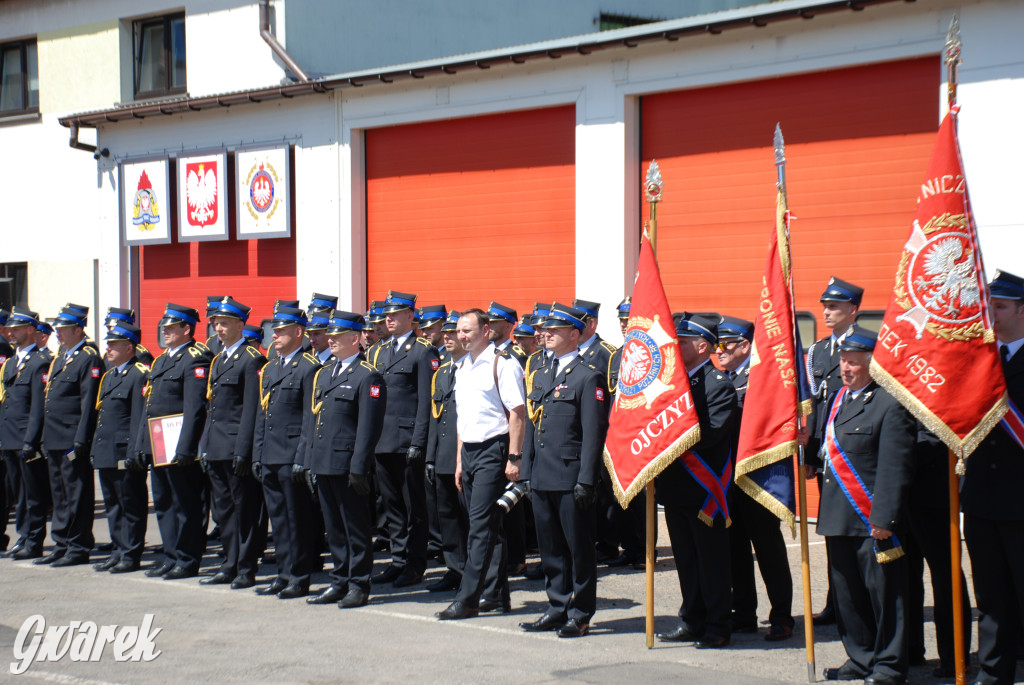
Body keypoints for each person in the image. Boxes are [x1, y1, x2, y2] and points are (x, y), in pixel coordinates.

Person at [816, 326, 914, 685]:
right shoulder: (840, 399)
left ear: (874, 365)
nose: (845, 368)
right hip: (837, 516)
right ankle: (860, 657)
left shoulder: (890, 403)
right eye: (843, 361)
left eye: (854, 363)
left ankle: (888, 665)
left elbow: (894, 465)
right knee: (848, 596)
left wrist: (885, 517)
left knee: (885, 598)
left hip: (871, 518)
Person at [519, 303, 608, 637]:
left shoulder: (589, 375)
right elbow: (532, 424)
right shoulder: (540, 371)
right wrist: (526, 471)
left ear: (575, 334)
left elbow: (593, 433)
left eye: (555, 331)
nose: (547, 335)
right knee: (551, 548)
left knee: (579, 548)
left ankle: (581, 612)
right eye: (546, 330)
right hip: (542, 475)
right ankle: (557, 606)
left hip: (571, 477)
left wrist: (587, 479)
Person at [436, 308, 525, 620]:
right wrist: (460, 458)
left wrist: (514, 457)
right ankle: (496, 594)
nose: (461, 336)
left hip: (494, 449)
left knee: (480, 526)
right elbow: (464, 417)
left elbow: (517, 413)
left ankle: (468, 597)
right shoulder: (462, 367)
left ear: (486, 330)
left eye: (467, 330)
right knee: (491, 527)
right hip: (470, 451)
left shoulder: (502, 363)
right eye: (459, 331)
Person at [656, 313, 738, 649]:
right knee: (686, 561)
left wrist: (666, 437)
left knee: (712, 562)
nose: (677, 345)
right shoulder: (671, 383)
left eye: (684, 340)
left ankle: (718, 625)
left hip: (704, 490)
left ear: (703, 346)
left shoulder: (719, 386)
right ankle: (692, 618)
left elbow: (710, 433)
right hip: (676, 487)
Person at [961, 270, 1024, 685]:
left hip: (1021, 499)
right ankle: (993, 668)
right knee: (991, 591)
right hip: (981, 496)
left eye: (1000, 306)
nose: (993, 314)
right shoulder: (979, 360)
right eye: (990, 306)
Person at [716, 315, 795, 641]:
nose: (718, 350)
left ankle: (782, 617)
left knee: (769, 551)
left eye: (725, 344)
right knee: (734, 550)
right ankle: (743, 612)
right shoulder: (723, 379)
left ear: (745, 346)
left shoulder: (761, 379)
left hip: (758, 479)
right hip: (727, 480)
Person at [303, 310, 387, 608]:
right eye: (331, 336)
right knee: (334, 526)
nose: (331, 341)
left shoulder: (367, 375)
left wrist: (360, 466)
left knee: (355, 526)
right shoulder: (325, 372)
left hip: (348, 463)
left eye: (337, 337)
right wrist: (310, 460)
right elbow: (316, 421)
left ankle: (358, 584)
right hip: (324, 461)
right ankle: (338, 581)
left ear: (354, 339)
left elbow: (368, 427)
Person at [131, 303, 213, 580]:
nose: (164, 332)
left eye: (170, 328)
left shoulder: (195, 358)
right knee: (164, 501)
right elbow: (150, 405)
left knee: (185, 503)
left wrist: (186, 448)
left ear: (186, 329)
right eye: (163, 328)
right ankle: (170, 555)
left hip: (178, 442)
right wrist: (144, 444)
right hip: (159, 439)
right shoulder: (162, 360)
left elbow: (194, 408)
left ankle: (187, 558)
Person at [804, 276, 863, 626]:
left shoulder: (866, 347)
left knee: (858, 533)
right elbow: (813, 405)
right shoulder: (818, 352)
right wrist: (810, 456)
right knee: (833, 532)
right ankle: (837, 600)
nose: (826, 312)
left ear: (852, 310)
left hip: (857, 455)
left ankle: (860, 600)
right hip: (828, 454)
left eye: (834, 306)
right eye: (825, 306)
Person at [252, 304, 321, 599]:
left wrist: (302, 458)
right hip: (270, 454)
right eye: (274, 331)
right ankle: (283, 572)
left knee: (297, 519)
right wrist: (257, 453)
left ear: (298, 332)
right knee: (278, 519)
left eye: (281, 331)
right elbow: (261, 414)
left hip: (292, 454)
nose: (275, 336)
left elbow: (310, 417)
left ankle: (299, 575)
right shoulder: (270, 368)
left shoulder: (308, 367)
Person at [370, 291, 438, 588]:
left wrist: (418, 442)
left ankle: (414, 563)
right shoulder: (378, 352)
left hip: (408, 440)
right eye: (387, 314)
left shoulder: (423, 351)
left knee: (414, 508)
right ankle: (398, 560)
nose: (389, 319)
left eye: (395, 314)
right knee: (392, 505)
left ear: (411, 316)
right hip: (382, 440)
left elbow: (426, 401)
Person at [200, 297, 267, 589]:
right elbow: (212, 409)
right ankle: (229, 563)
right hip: (216, 446)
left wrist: (244, 450)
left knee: (245, 510)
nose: (219, 328)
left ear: (240, 325)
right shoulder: (218, 359)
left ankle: (246, 566)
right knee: (224, 510)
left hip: (236, 447)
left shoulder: (251, 358)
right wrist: (204, 445)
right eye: (216, 323)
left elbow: (252, 409)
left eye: (225, 323)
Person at [39, 304, 104, 566]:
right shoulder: (61, 358)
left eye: (64, 329)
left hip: (71, 438)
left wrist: (81, 439)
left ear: (78, 330)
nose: (58, 334)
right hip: (54, 436)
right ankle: (62, 542)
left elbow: (88, 403)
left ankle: (78, 545)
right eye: (58, 329)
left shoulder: (88, 357)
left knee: (76, 493)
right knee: (59, 494)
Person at [91, 322, 149, 574]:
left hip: (124, 451)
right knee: (113, 504)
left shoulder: (138, 374)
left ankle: (130, 553)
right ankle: (118, 550)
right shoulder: (109, 375)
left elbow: (139, 417)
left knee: (130, 505)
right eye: (108, 345)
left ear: (129, 347)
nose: (108, 349)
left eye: (114, 345)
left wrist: (136, 450)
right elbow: (103, 416)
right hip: (106, 449)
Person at [0, 308, 51, 560]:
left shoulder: (40, 361)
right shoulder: (10, 361)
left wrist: (32, 439)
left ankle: (34, 539)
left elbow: (37, 406)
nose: (12, 332)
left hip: (25, 437)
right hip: (8, 436)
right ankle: (23, 535)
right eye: (11, 328)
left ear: (31, 330)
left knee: (32, 493)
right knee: (18, 493)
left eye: (17, 328)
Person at [425, 311, 468, 593]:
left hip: (465, 456)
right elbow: (434, 417)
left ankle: (475, 572)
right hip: (442, 454)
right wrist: (430, 456)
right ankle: (455, 568)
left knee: (468, 518)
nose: (449, 338)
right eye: (448, 333)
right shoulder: (441, 372)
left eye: (455, 333)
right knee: (449, 518)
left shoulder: (475, 368)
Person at [487, 302, 528, 367]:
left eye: (493, 322)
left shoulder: (517, 356)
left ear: (507, 327)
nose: (488, 326)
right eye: (487, 322)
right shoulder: (484, 350)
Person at [306, 293, 337, 365]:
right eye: (309, 334)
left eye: (317, 334)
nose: (311, 340)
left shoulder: (337, 363)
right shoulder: (309, 361)